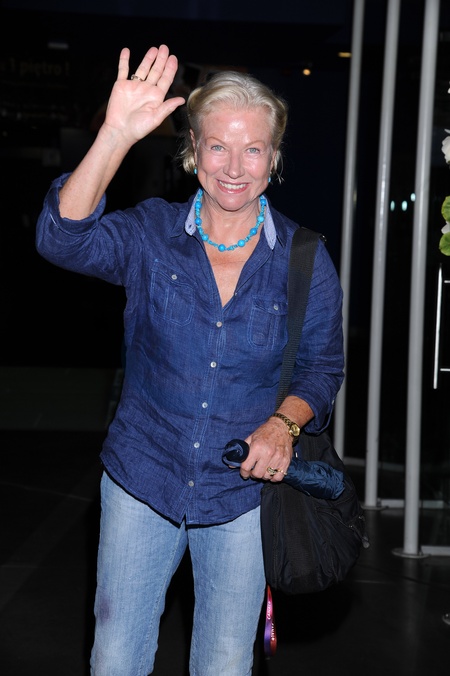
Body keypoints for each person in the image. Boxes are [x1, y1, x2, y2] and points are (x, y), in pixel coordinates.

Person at [35, 45, 344, 676]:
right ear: (193, 151)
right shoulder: (151, 234)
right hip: (142, 479)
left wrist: (283, 424)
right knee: (116, 660)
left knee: (224, 665)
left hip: (242, 496)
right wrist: (115, 135)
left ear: (274, 158)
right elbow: (61, 238)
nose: (233, 167)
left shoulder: (304, 258)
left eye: (252, 149)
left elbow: (322, 366)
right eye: (218, 147)